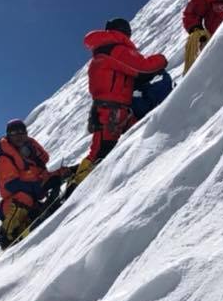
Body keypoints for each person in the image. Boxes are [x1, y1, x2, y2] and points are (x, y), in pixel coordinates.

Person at [72, 18, 170, 184]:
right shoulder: (116, 49)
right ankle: (75, 188)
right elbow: (142, 68)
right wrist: (161, 59)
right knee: (101, 152)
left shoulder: (103, 52)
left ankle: (82, 185)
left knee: (106, 150)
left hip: (109, 110)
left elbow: (125, 78)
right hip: (112, 111)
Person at [0, 118, 72, 248]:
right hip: (10, 205)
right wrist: (37, 187)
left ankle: (33, 216)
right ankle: (8, 233)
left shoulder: (30, 156)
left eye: (21, 131)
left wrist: (59, 174)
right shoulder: (4, 159)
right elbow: (11, 185)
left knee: (54, 179)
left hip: (31, 198)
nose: (19, 135)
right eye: (14, 132)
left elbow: (41, 176)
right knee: (25, 197)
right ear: (8, 135)